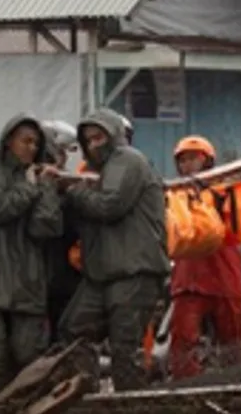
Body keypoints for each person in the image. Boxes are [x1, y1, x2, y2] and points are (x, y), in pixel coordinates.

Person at [59, 108, 170, 390]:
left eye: (99, 137)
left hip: (133, 270)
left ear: (115, 136)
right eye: (89, 140)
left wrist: (72, 191)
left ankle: (127, 407)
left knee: (125, 345)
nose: (95, 144)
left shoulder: (126, 159)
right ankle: (84, 392)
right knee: (74, 329)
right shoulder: (101, 172)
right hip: (105, 273)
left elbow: (110, 206)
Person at [0, 115, 64, 395]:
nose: (31, 148)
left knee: (29, 358)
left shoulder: (37, 180)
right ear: (9, 141)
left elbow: (46, 228)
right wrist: (29, 189)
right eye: (25, 141)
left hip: (27, 286)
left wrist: (46, 189)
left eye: (36, 143)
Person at [166, 135, 241, 378]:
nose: (188, 165)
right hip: (188, 280)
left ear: (208, 162)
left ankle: (238, 386)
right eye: (183, 160)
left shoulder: (227, 193)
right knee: (182, 342)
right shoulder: (174, 196)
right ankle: (185, 391)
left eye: (194, 159)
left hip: (224, 278)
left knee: (233, 343)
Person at [40, 120, 82, 342]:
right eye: (63, 151)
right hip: (51, 265)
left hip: (62, 265)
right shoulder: (42, 178)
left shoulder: (64, 178)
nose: (65, 157)